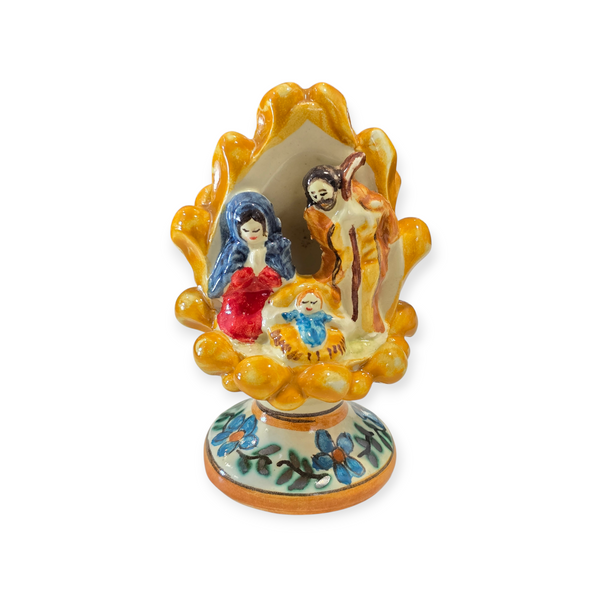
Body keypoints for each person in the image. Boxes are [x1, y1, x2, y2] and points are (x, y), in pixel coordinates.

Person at [302, 152, 399, 334]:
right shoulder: (314, 214)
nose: (320, 199)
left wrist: (359, 213)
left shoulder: (357, 197)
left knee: (366, 299)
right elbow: (327, 246)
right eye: (314, 195)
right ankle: (348, 331)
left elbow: (360, 157)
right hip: (341, 267)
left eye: (323, 193)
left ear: (335, 188)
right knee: (344, 300)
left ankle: (367, 332)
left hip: (368, 261)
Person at [208, 192, 295, 343]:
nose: (251, 235)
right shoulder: (234, 254)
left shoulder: (276, 250)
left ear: (266, 227)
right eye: (246, 231)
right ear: (238, 231)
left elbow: (289, 281)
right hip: (239, 306)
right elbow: (217, 289)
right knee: (236, 324)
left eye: (256, 231)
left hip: (269, 303)